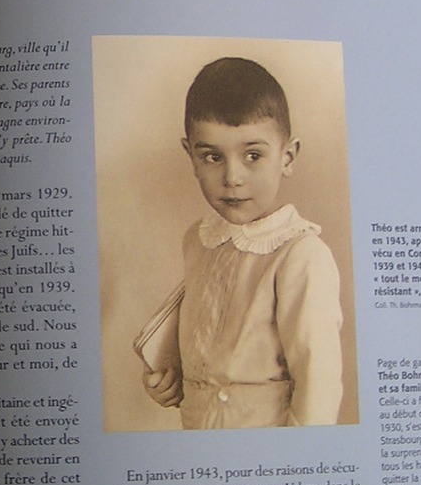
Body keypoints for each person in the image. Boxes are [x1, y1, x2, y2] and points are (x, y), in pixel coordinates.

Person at [142, 57, 342, 429]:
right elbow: (204, 350)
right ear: (191, 156)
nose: (232, 178)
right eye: (213, 157)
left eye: (253, 155)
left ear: (287, 156)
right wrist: (173, 382)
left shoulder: (301, 255)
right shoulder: (199, 240)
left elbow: (320, 382)